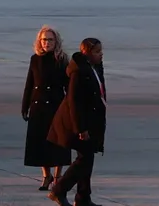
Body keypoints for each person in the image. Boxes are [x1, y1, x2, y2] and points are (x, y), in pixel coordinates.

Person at [47, 38, 106, 206]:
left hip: (89, 120)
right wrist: (81, 128)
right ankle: (59, 190)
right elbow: (74, 101)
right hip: (75, 123)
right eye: (97, 52)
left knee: (87, 157)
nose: (101, 54)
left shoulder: (94, 68)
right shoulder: (79, 71)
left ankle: (83, 198)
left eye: (101, 51)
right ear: (87, 53)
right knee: (84, 159)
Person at [22, 26, 71, 190]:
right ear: (39, 41)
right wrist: (25, 105)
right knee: (40, 141)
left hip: (56, 105)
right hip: (38, 105)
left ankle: (57, 176)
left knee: (58, 142)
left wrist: (70, 108)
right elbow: (30, 84)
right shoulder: (35, 59)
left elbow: (69, 86)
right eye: (44, 39)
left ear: (56, 41)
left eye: (50, 39)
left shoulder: (62, 59)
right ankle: (46, 175)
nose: (47, 43)